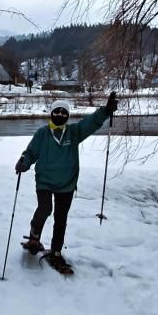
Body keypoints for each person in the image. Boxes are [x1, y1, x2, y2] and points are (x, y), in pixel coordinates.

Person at [15, 92, 118, 274]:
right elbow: (30, 152)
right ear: (51, 113)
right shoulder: (43, 133)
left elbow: (91, 122)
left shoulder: (74, 132)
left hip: (67, 183)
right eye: (57, 112)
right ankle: (34, 237)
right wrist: (24, 160)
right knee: (45, 208)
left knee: (60, 219)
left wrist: (106, 111)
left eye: (64, 113)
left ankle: (55, 253)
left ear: (68, 116)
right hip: (45, 181)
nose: (60, 115)